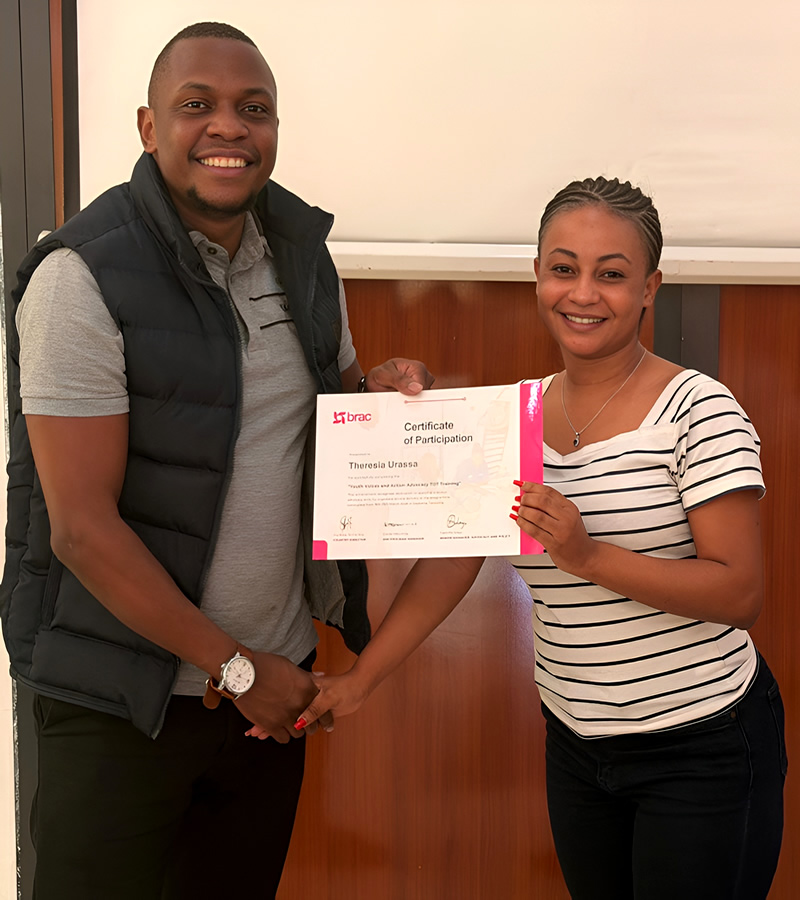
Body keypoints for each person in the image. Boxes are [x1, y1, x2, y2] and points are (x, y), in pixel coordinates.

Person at [0, 21, 432, 900]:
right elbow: (81, 530)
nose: (229, 127)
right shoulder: (79, 277)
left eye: (254, 108)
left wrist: (376, 398)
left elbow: (313, 426)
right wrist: (236, 672)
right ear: (148, 126)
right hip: (121, 703)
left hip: (267, 703)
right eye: (196, 105)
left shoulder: (304, 258)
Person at [293, 177, 787, 899]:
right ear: (536, 276)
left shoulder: (697, 408)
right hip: (577, 745)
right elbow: (454, 561)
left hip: (701, 742)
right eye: (563, 268)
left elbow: (739, 593)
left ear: (649, 288)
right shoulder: (513, 418)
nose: (583, 293)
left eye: (611, 274)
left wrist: (587, 556)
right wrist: (360, 681)